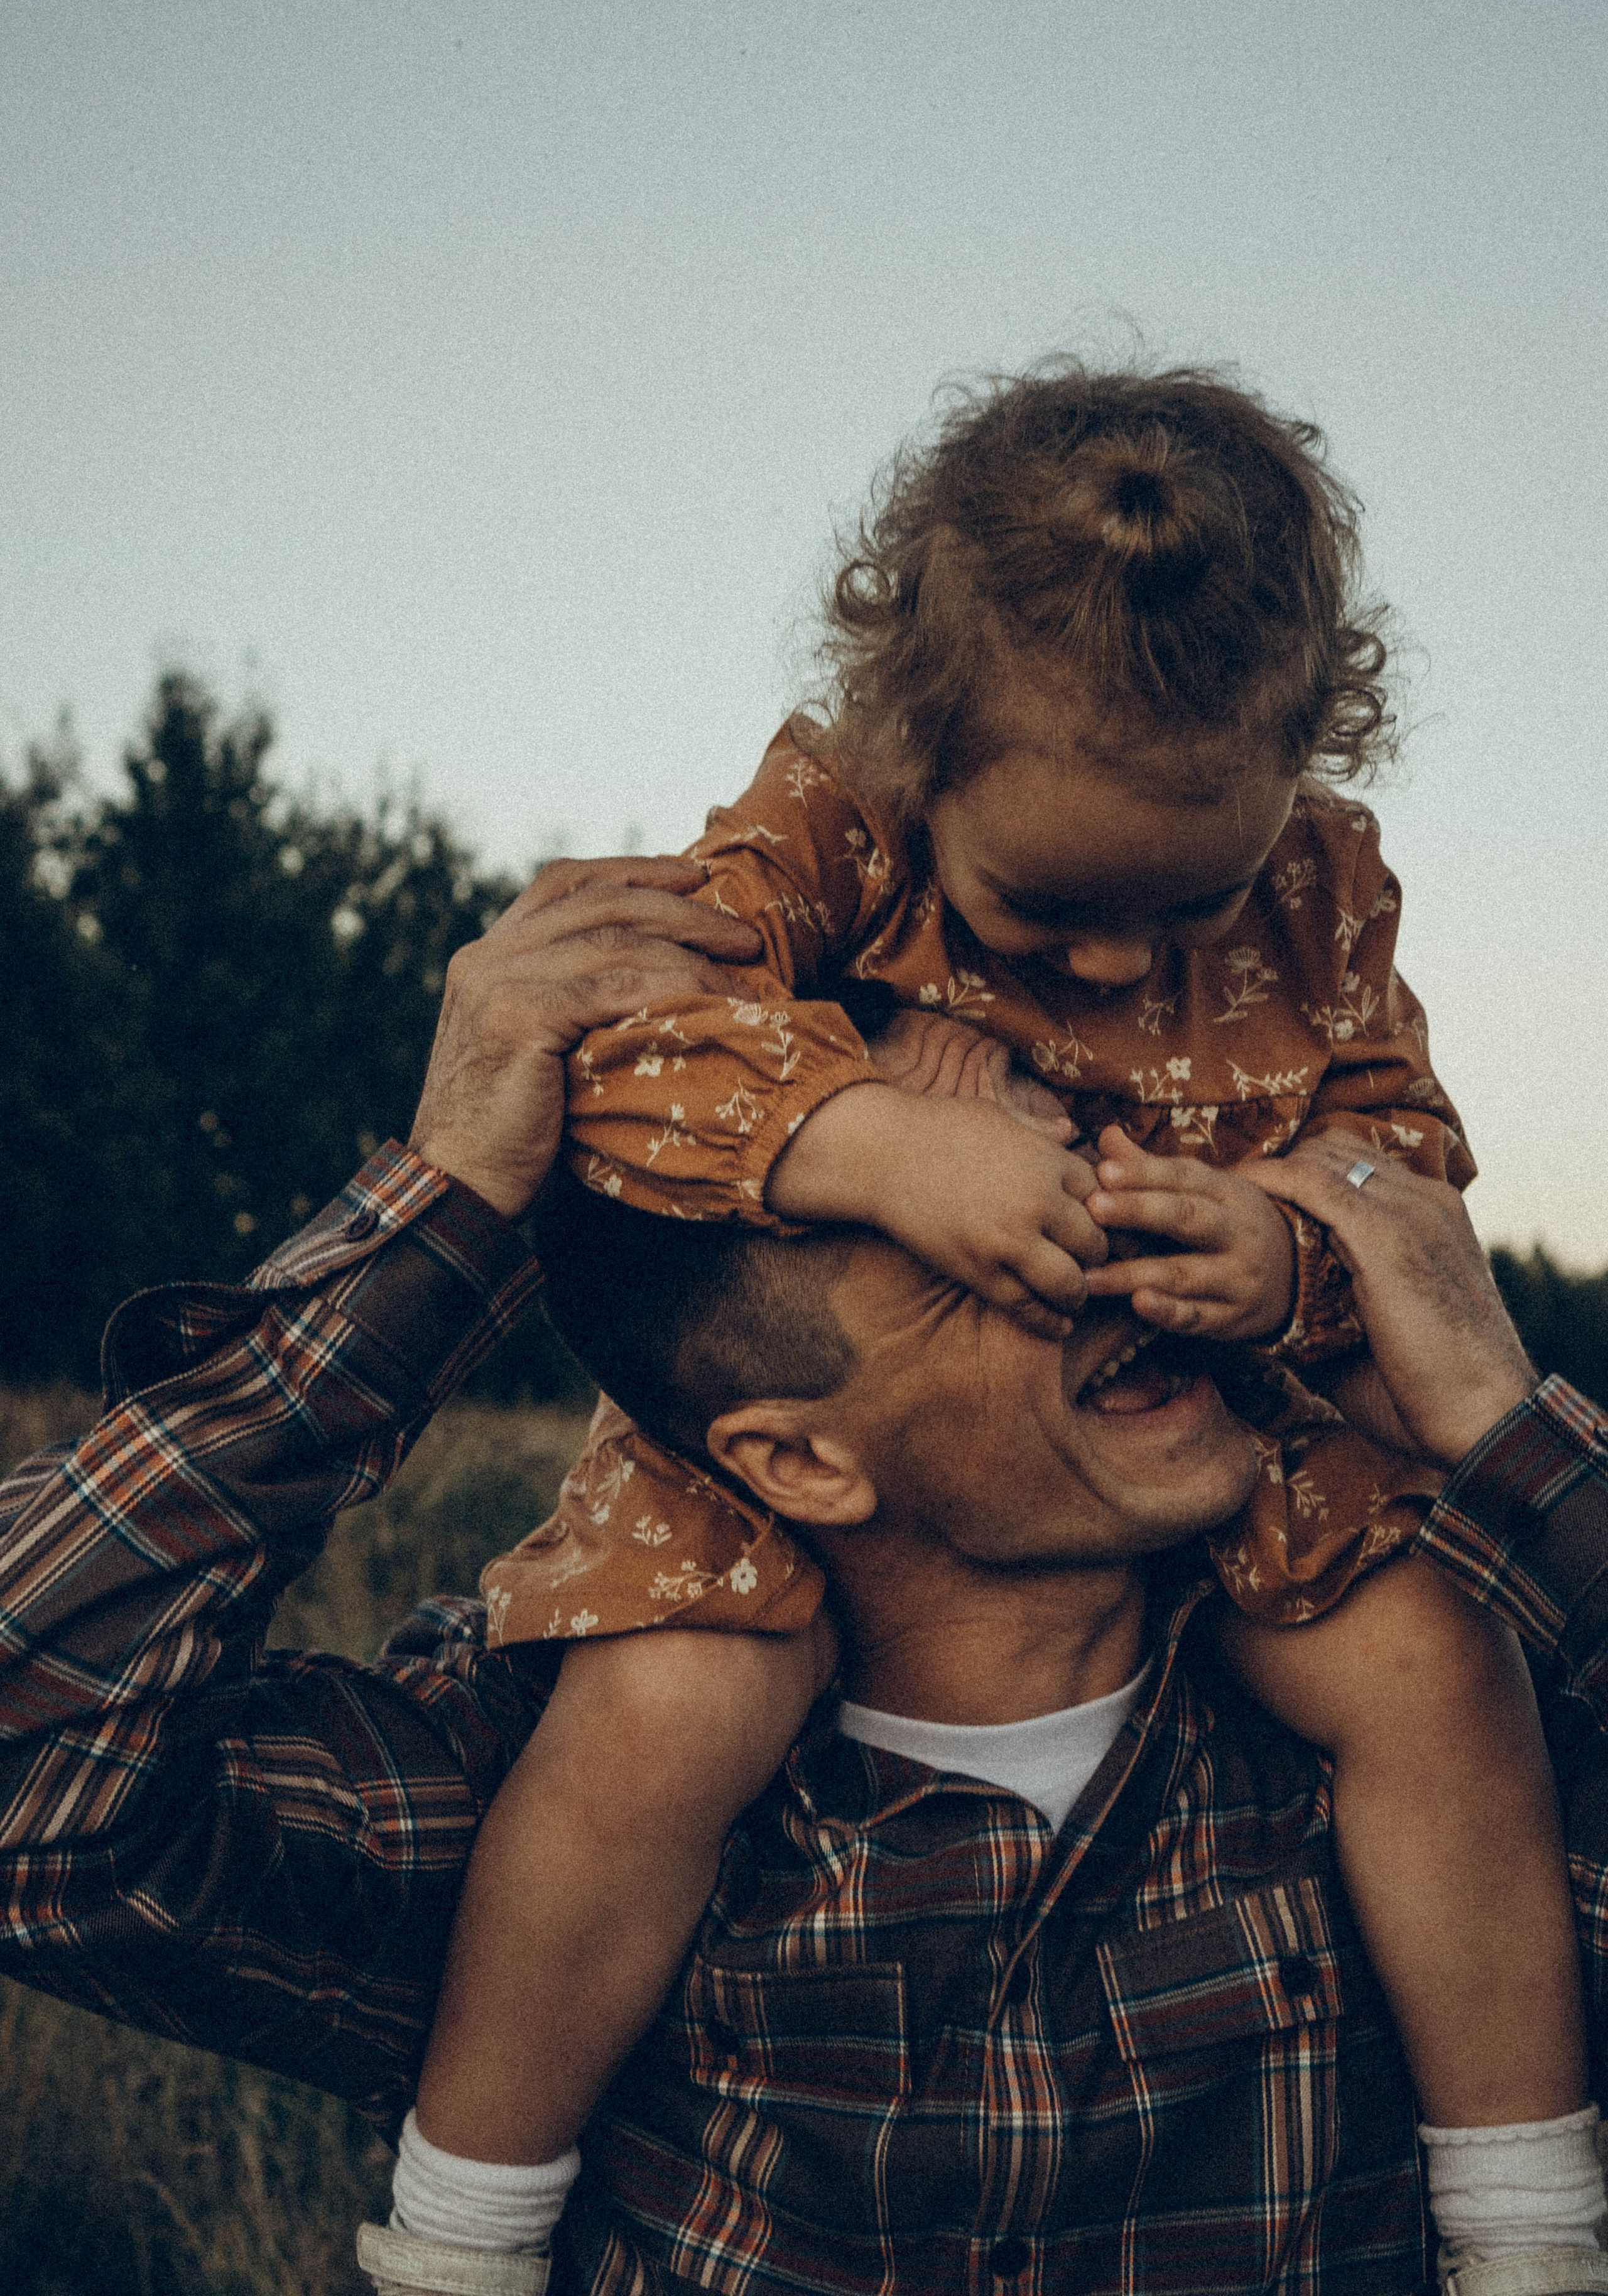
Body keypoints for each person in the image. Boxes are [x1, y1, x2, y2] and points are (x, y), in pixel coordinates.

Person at [0, 877, 1604, 2295]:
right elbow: (32, 1792)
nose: (1118, 1246)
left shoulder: (1429, 1741)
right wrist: (443, 1216)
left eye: (1086, 1164)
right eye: (1002, 1247)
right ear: (800, 1462)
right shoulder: (567, 1803)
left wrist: (1502, 1426)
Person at [408, 363, 1588, 2276]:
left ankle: (1530, 2226)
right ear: (919, 749)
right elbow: (622, 1046)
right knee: (663, 1712)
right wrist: (875, 1145)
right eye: (1049, 910)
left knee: (1438, 1678)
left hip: (1216, 1384)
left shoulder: (1327, 892)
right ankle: (460, 2231)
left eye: (1184, 906)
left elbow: (1394, 1147)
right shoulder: (828, 821)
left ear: (1295, 772)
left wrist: (1288, 1256)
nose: (1124, 967)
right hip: (814, 1400)